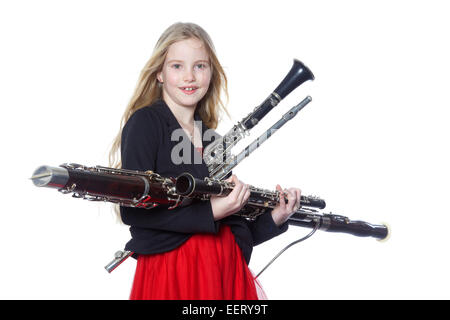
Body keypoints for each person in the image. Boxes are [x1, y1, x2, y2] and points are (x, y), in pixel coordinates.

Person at [109, 22, 302, 300]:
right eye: (177, 66)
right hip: (174, 274)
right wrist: (211, 212)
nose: (189, 76)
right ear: (160, 74)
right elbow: (133, 211)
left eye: (200, 66)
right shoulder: (145, 123)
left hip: (224, 271)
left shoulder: (212, 141)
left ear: (211, 73)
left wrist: (275, 217)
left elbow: (232, 232)